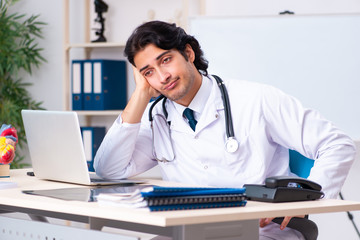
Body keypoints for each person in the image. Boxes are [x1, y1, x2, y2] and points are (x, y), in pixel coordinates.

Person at [94, 20, 356, 239]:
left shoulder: (256, 99)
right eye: (149, 72)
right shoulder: (158, 116)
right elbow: (109, 169)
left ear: (188, 53)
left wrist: (306, 198)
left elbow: (337, 144)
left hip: (261, 229)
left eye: (166, 60)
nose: (162, 77)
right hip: (191, 230)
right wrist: (140, 95)